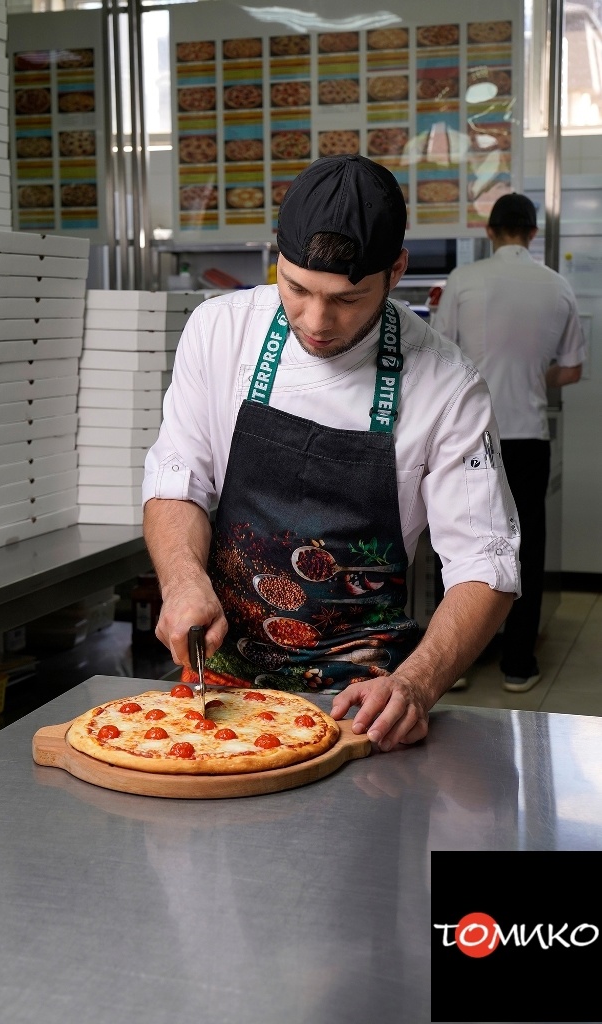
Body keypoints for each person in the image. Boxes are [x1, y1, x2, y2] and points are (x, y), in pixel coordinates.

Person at [142, 154, 519, 753]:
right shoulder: (218, 331)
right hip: (221, 686)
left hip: (362, 703)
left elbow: (486, 564)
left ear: (396, 271)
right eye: (296, 288)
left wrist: (416, 684)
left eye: (348, 298)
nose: (317, 321)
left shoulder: (447, 385)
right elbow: (176, 481)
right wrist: (184, 580)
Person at [435, 192, 586, 693]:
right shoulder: (558, 286)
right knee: (527, 544)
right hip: (528, 436)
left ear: (490, 231)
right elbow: (572, 369)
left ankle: (456, 664)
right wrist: (533, 378)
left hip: (468, 434)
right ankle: (519, 663)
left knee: (460, 541)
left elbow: (439, 356)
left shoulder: (463, 279)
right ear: (532, 233)